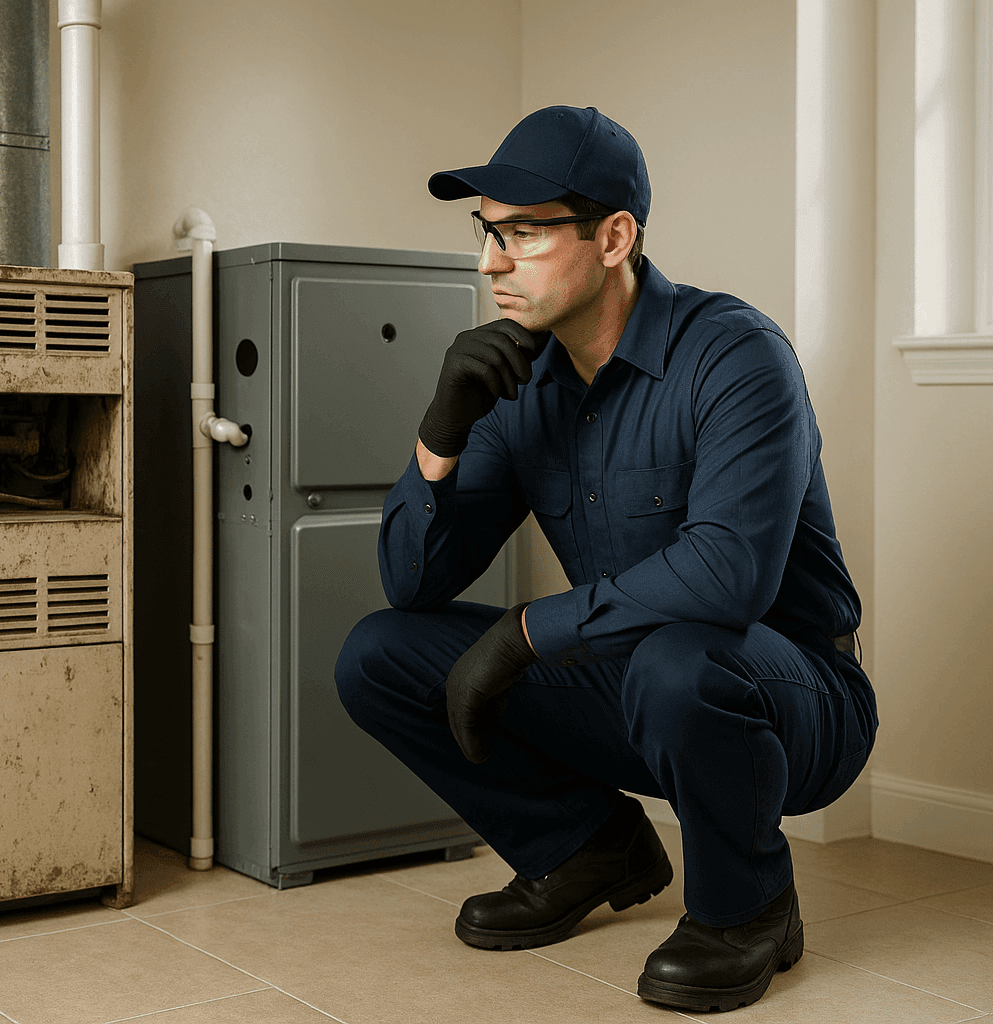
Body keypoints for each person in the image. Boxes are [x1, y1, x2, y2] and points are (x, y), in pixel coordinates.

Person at [333, 105, 876, 1013]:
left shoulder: (736, 355)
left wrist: (523, 634)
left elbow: (726, 578)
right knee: (379, 654)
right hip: (632, 687)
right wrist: (441, 432)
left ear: (614, 236)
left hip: (792, 699)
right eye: (486, 231)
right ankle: (583, 847)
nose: (488, 262)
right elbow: (411, 583)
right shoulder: (521, 387)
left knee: (679, 656)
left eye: (522, 233)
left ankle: (751, 909)